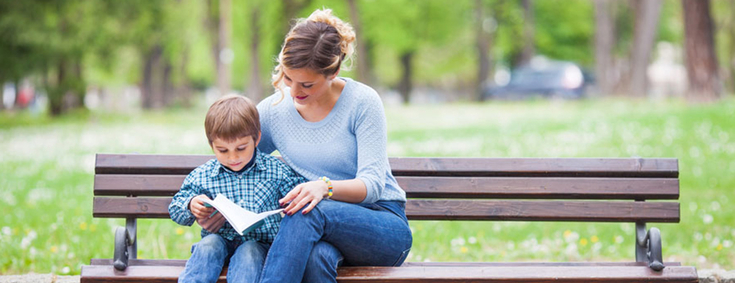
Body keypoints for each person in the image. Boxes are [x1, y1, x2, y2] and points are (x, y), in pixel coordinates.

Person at [255, 8, 413, 283]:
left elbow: (373, 186)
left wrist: (324, 187)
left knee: (307, 210)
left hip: (381, 224)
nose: (294, 92)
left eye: (306, 84)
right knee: (316, 261)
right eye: (287, 78)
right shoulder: (274, 110)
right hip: (316, 231)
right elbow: (239, 159)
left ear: (334, 71)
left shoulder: (362, 102)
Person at [168, 95, 306, 283]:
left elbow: (298, 199)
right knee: (208, 245)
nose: (233, 157)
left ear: (256, 138)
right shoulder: (204, 174)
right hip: (219, 242)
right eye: (223, 150)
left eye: (241, 148)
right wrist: (191, 205)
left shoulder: (276, 171)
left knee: (249, 251)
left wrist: (291, 203)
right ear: (212, 145)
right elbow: (176, 206)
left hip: (259, 246)